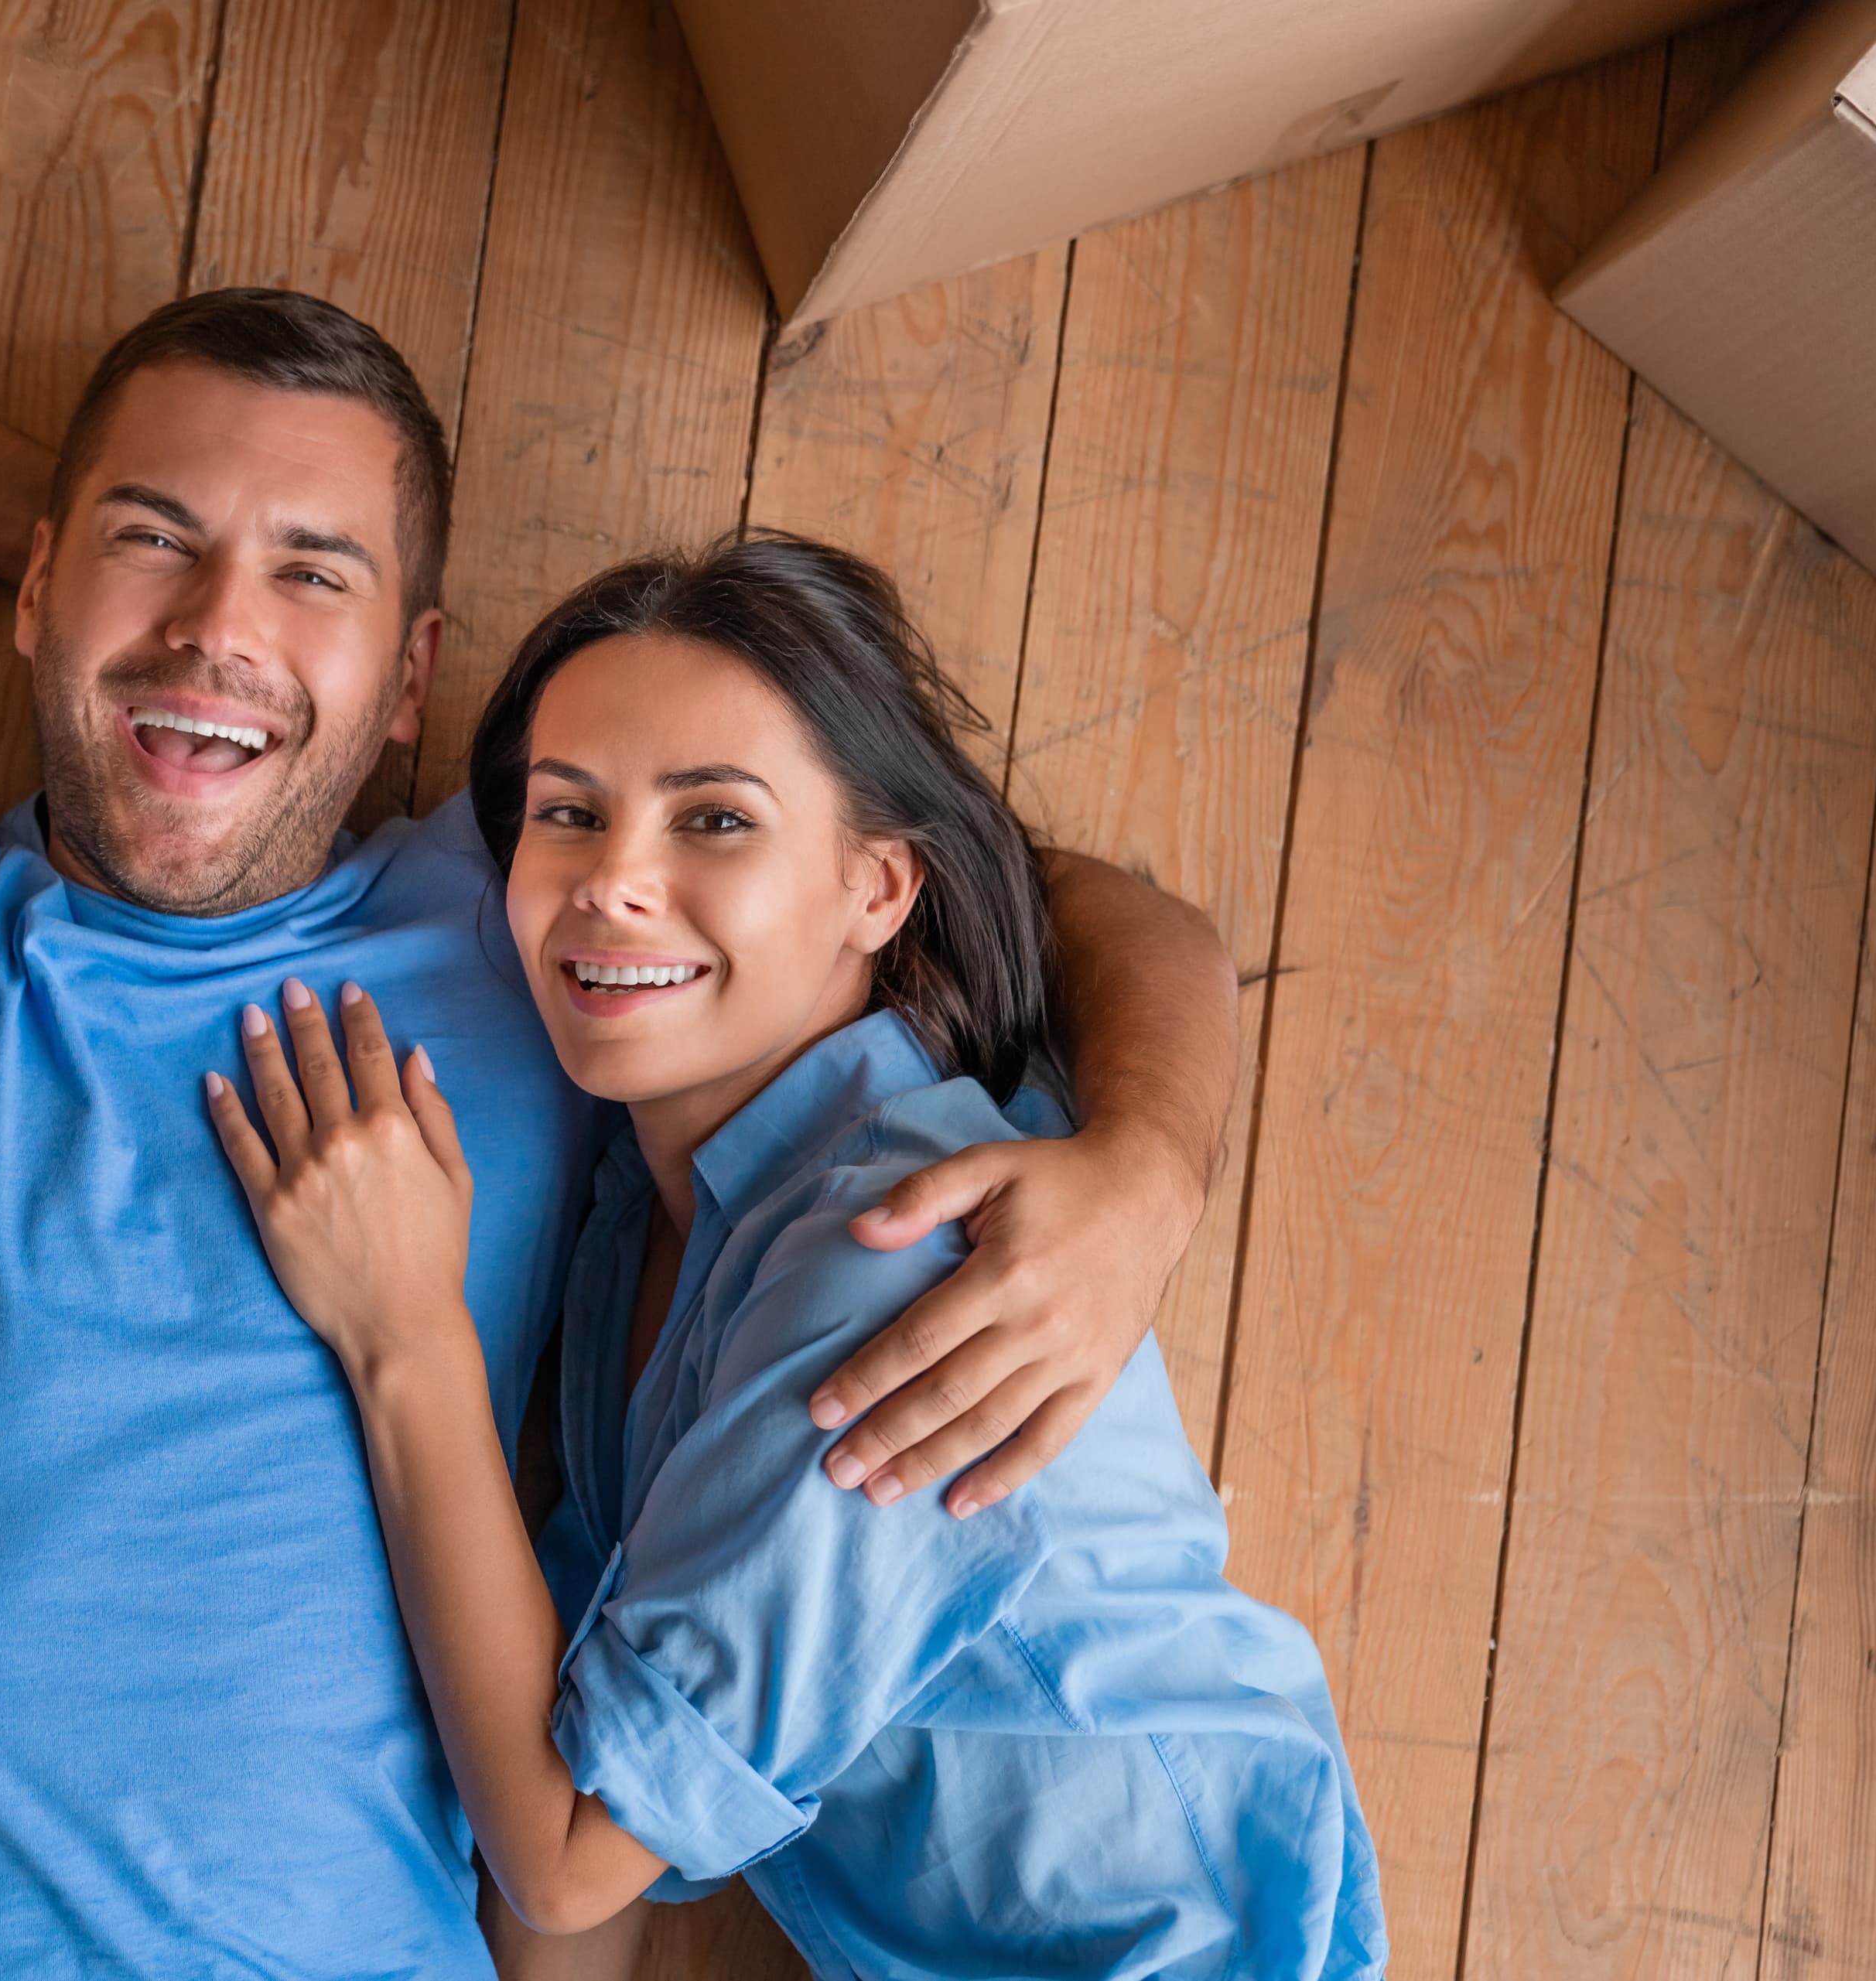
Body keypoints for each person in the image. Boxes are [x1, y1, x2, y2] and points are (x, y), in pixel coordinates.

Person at [0, 272, 1245, 1974]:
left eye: (314, 576)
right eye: (153, 538)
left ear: (413, 682)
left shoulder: (542, 917)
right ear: (37, 584)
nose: (222, 622)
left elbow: (1056, 894)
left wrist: (1146, 1171)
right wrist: (127, 567)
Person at [207, 534, 1386, 1979]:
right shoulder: (641, 1227)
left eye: (714, 821)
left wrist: (407, 1337)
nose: (611, 882)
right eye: (566, 812)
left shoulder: (894, 1253)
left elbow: (571, 1854)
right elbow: (576, 1725)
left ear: (879, 889)